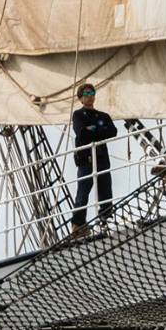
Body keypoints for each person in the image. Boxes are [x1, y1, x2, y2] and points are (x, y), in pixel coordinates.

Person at [71, 83, 116, 228]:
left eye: (91, 93)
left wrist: (92, 129)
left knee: (105, 189)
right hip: (86, 159)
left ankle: (106, 220)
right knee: (83, 192)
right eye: (86, 94)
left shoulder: (103, 115)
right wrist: (99, 129)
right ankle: (78, 225)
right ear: (80, 99)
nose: (89, 96)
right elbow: (82, 133)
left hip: (101, 157)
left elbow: (113, 132)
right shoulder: (78, 115)